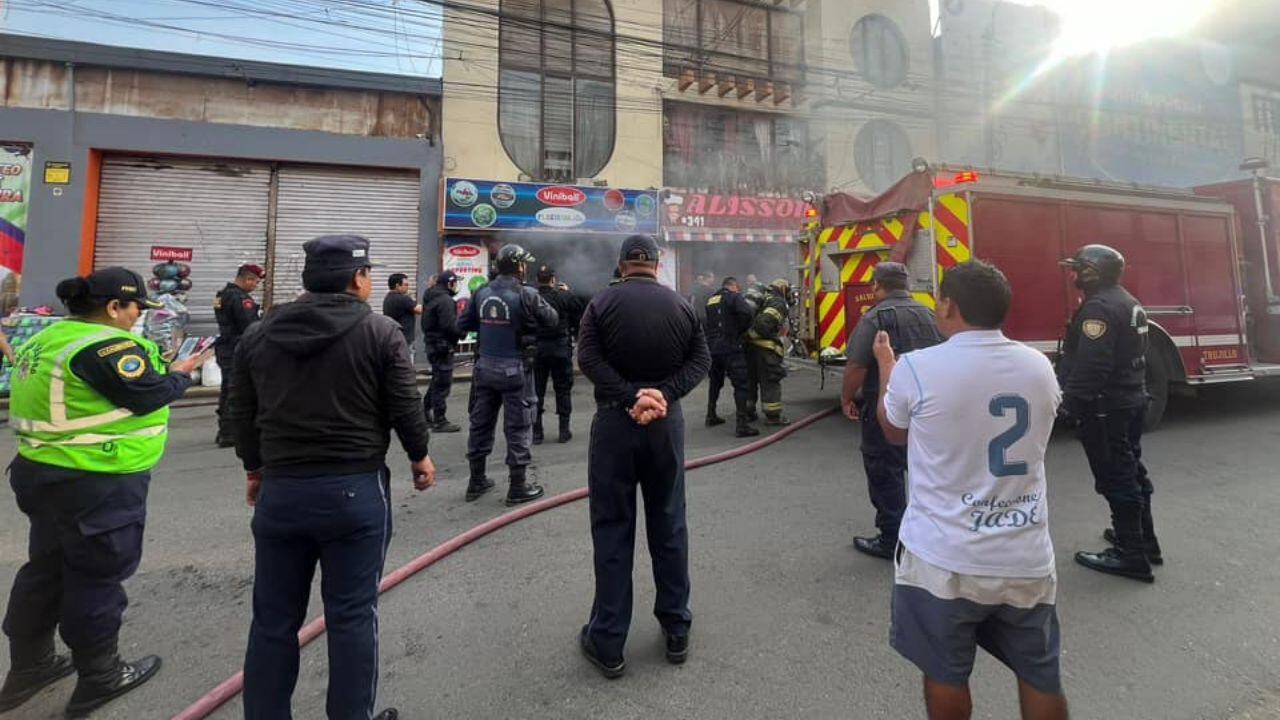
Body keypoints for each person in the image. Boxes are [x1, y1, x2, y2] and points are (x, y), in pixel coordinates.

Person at [229, 235, 436, 720]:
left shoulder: (258, 334)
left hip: (281, 491)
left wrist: (255, 468)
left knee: (273, 622)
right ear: (358, 279)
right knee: (351, 617)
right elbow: (405, 404)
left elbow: (240, 411)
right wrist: (420, 456)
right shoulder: (381, 332)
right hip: (354, 490)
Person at [1, 267, 207, 717]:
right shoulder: (105, 345)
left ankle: (30, 667)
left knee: (46, 569)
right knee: (95, 577)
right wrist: (182, 373)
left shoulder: (48, 339)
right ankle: (101, 675)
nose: (137, 318)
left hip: (43, 471)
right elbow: (147, 394)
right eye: (135, 308)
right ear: (114, 307)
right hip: (95, 480)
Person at [874, 261, 1068, 720]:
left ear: (948, 305)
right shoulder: (1039, 366)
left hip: (945, 560)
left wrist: (887, 367)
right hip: (1025, 556)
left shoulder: (917, 369)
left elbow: (893, 429)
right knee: (1040, 675)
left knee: (946, 673)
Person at [576, 234, 710, 679]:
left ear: (621, 265)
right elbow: (701, 360)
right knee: (669, 523)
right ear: (657, 263)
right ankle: (676, 629)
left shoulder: (601, 305)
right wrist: (663, 395)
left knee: (613, 530)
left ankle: (608, 641)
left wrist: (631, 395)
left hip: (616, 425)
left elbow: (589, 359)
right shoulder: (681, 306)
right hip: (665, 428)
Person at [1058, 244, 1160, 583]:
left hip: (1106, 408)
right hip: (1130, 401)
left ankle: (1131, 555)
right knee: (1132, 470)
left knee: (1116, 476)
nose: (1073, 274)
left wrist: (1069, 404)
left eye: (1078, 268)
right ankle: (1145, 540)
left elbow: (1092, 365)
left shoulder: (1098, 309)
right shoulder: (1126, 299)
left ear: (1091, 272)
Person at [840, 262, 943, 560]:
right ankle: (933, 533)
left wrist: (847, 398)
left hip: (885, 404)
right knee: (927, 469)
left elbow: (857, 365)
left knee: (885, 469)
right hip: (928, 406)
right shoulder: (929, 313)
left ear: (877, 285)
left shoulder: (875, 318)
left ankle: (891, 539)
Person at [458, 244, 558, 504]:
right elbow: (552, 319)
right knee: (519, 426)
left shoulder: (481, 292)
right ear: (519, 267)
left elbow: (463, 324)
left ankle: (476, 481)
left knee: (480, 423)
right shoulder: (527, 294)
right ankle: (517, 487)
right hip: (515, 369)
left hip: (485, 367)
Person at [213, 263, 264, 447]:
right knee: (236, 389)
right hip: (237, 347)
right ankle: (230, 432)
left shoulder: (221, 295)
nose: (255, 286)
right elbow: (250, 327)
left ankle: (224, 429)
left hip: (225, 346)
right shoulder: (241, 299)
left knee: (227, 389)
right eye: (255, 282)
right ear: (247, 279)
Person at [533, 265, 584, 445]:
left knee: (536, 391)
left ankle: (536, 432)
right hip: (560, 349)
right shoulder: (564, 296)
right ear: (553, 280)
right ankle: (564, 431)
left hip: (537, 349)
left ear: (537, 279)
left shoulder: (531, 297)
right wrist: (568, 292)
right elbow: (579, 310)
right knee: (563, 390)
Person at [704, 276, 758, 437]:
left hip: (713, 348)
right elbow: (747, 313)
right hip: (731, 347)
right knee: (741, 384)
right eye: (738, 287)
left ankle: (711, 415)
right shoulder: (734, 297)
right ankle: (742, 425)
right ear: (733, 286)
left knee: (715, 382)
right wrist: (739, 332)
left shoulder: (711, 300)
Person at [420, 270, 465, 433]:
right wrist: (462, 332)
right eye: (454, 282)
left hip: (433, 344)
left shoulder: (431, 296)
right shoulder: (446, 300)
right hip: (442, 346)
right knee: (442, 383)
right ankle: (440, 420)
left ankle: (424, 413)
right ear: (449, 283)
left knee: (437, 380)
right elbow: (449, 326)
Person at [745, 279, 793, 425]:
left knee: (750, 381)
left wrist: (747, 336)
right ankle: (773, 416)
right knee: (770, 381)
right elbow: (763, 324)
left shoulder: (763, 298)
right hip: (766, 351)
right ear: (783, 289)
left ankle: (747, 412)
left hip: (748, 348)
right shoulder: (778, 302)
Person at [382, 273, 423, 360]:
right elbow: (419, 310)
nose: (408, 287)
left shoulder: (388, 298)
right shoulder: (402, 299)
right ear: (397, 285)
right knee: (406, 362)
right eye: (405, 285)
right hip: (404, 339)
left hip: (392, 337)